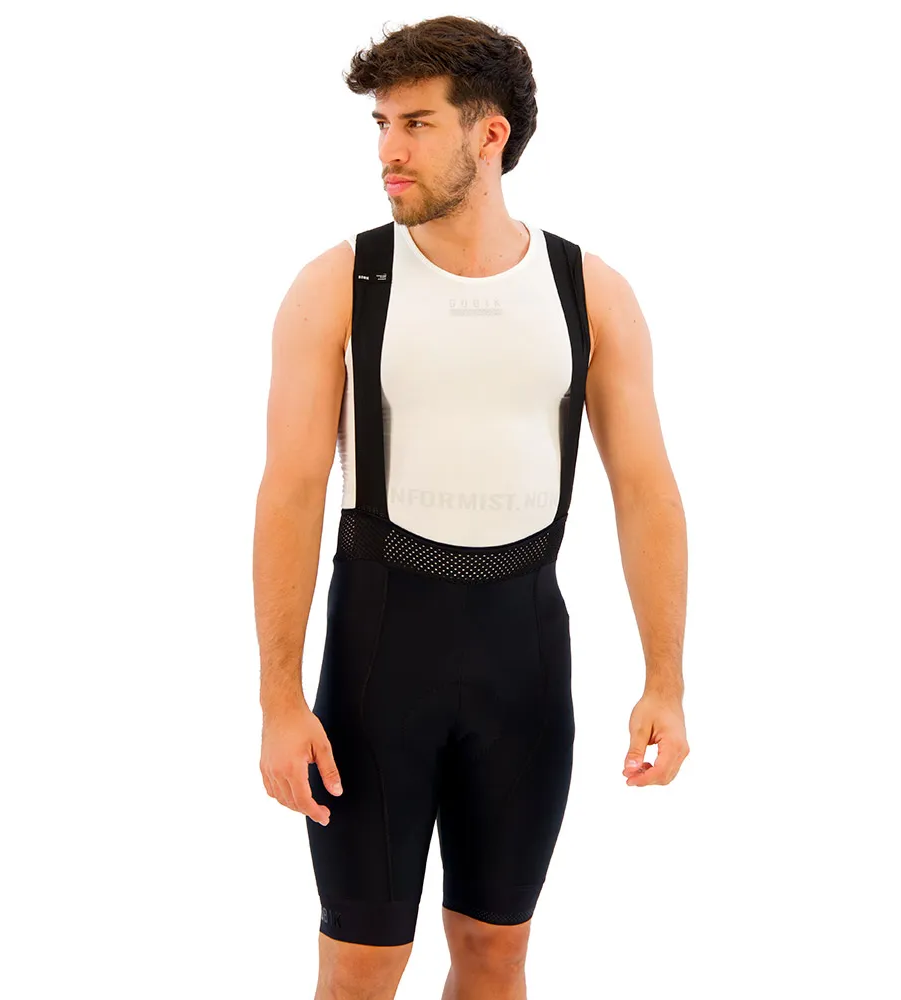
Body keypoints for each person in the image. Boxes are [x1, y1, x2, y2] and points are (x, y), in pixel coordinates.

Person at [253, 15, 689, 1000]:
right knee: (361, 968)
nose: (388, 151)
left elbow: (647, 490)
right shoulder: (339, 285)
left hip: (523, 666)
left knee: (496, 957)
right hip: (376, 669)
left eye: (415, 123)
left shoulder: (589, 291)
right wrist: (279, 698)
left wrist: (664, 680)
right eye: (380, 124)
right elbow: (289, 491)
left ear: (489, 135)